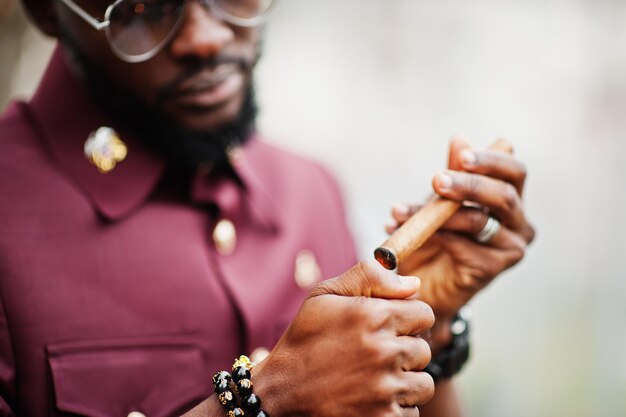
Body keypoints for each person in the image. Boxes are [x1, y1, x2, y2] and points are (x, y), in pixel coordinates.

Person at [0, 0, 535, 416]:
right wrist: (265, 402)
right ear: (48, 11)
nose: (206, 38)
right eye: (141, 8)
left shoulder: (311, 191)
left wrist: (425, 327)